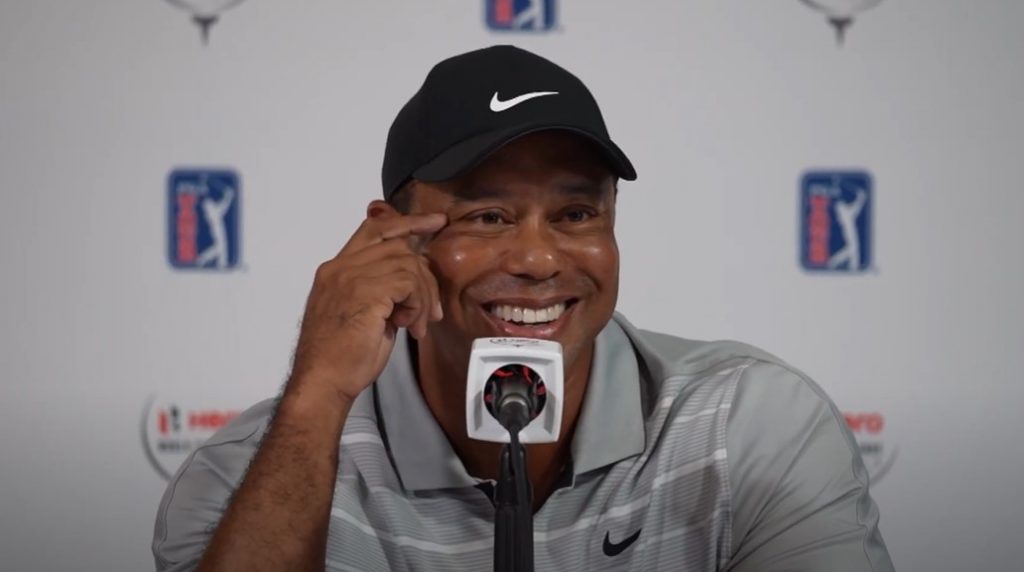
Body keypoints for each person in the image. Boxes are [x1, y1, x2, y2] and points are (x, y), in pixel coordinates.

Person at [152, 45, 894, 571]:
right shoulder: (246, 477)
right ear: (390, 238)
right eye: (488, 217)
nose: (539, 260)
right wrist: (316, 395)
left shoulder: (750, 426)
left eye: (576, 214)